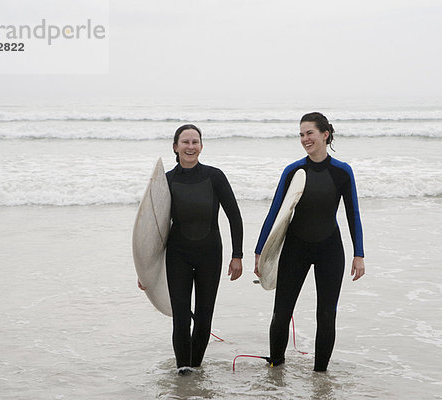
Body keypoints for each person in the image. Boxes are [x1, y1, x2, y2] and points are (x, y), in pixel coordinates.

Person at [254, 112, 365, 372]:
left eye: (309, 133)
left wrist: (358, 254)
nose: (305, 139)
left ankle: (320, 376)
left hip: (330, 249)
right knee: (281, 312)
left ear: (325, 134)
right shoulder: (293, 170)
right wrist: (260, 251)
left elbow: (353, 214)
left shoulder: (342, 172)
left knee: (326, 315)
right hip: (296, 248)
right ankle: (275, 366)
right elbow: (275, 212)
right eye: (301, 134)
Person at [139, 124, 243, 375]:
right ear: (175, 147)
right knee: (182, 318)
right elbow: (153, 229)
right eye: (185, 142)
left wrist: (237, 255)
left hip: (210, 254)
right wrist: (145, 269)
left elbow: (234, 216)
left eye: (195, 142)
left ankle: (196, 366)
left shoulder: (215, 176)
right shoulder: (166, 181)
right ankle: (183, 370)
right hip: (178, 255)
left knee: (205, 316)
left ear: (201, 146)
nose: (190, 146)